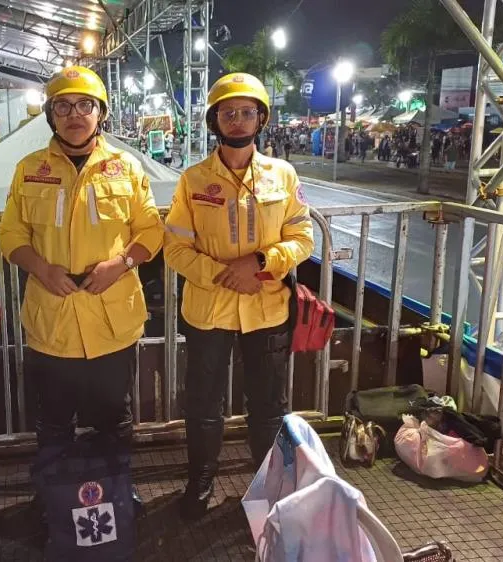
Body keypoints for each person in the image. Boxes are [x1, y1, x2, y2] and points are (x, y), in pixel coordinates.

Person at [0, 65, 163, 520]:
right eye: (64, 106)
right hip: (53, 317)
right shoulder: (30, 170)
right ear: (51, 115)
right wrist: (40, 268)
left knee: (116, 416)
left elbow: (151, 230)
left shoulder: (125, 167)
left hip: (111, 318)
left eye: (85, 105)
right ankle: (50, 495)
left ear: (100, 113)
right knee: (53, 422)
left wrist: (122, 263)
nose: (75, 114)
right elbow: (10, 235)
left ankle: (117, 489)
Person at [163, 72, 315, 520]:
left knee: (268, 406)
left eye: (247, 111)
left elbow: (303, 237)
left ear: (261, 118)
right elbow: (174, 246)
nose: (237, 120)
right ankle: (200, 483)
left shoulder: (283, 175)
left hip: (267, 308)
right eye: (228, 112)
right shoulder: (192, 180)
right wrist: (225, 276)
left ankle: (273, 486)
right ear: (214, 120)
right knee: (203, 402)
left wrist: (263, 263)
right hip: (208, 309)